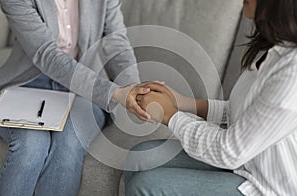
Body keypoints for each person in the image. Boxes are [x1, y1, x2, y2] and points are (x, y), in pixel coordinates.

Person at [125, 0, 297, 195]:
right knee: (139, 158)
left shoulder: (292, 73)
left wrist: (169, 115)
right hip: (248, 163)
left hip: (268, 186)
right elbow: (241, 114)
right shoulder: (273, 46)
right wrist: (181, 102)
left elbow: (229, 151)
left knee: (147, 185)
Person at [0, 0, 153, 195]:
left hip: (84, 88)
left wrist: (132, 88)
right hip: (29, 83)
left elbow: (116, 42)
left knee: (70, 142)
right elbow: (47, 55)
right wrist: (114, 92)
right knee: (31, 145)